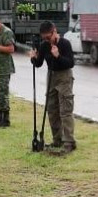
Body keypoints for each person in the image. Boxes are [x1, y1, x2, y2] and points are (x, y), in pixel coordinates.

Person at [29, 20, 76, 153]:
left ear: (54, 31)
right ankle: (57, 139)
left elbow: (70, 63)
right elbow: (38, 63)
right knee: (51, 109)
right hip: (51, 76)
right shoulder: (44, 45)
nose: (46, 40)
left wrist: (58, 56)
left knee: (65, 110)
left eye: (48, 37)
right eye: (44, 38)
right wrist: (33, 58)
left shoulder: (65, 44)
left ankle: (69, 141)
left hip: (64, 76)